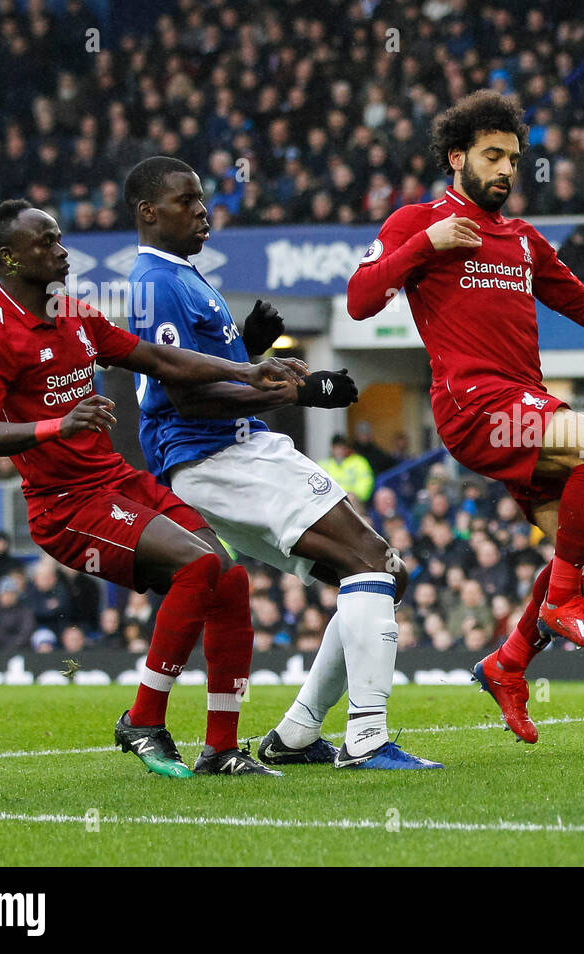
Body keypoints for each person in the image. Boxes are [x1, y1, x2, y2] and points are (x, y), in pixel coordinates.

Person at [347, 90, 584, 743]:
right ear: (457, 157)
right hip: (473, 405)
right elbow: (358, 300)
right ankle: (563, 602)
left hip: (523, 407)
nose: (507, 170)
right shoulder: (419, 220)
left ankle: (509, 662)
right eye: (493, 156)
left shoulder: (522, 239)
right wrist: (425, 245)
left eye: (514, 159)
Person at [0, 199, 303, 777]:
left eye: (60, 237)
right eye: (46, 243)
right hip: (65, 508)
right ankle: (144, 718)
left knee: (230, 578)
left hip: (116, 481)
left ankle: (221, 749)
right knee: (197, 567)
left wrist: (246, 368)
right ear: (8, 258)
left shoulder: (73, 311)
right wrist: (55, 425)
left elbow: (153, 356)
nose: (62, 251)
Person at [123, 156, 439, 770]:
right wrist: (298, 392)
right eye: (186, 201)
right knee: (372, 561)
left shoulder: (180, 275)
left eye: (202, 199)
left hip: (229, 452)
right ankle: (367, 739)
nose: (202, 210)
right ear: (148, 212)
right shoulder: (155, 281)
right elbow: (181, 391)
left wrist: (248, 347)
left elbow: (207, 369)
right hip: (220, 453)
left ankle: (296, 736)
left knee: (379, 576)